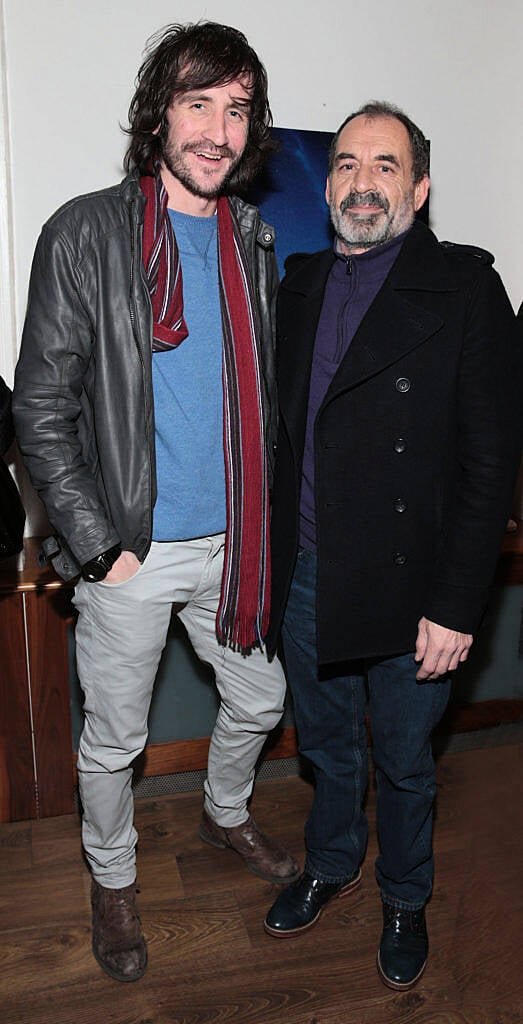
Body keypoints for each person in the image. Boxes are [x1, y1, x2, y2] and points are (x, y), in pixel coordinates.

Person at [13, 21, 299, 984]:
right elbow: (41, 408)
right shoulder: (84, 232)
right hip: (133, 547)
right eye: (197, 103)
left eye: (237, 108)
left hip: (239, 546)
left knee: (261, 697)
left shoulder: (252, 239)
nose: (218, 130)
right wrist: (99, 547)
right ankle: (113, 876)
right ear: (157, 115)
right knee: (116, 735)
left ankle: (225, 811)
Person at [263, 101, 521, 990]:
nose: (360, 183)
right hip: (306, 578)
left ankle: (405, 895)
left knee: (405, 762)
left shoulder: (465, 289)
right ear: (327, 183)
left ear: (417, 187)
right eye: (343, 164)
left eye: (383, 165)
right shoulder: (296, 284)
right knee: (328, 748)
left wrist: (456, 604)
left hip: (415, 586)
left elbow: (490, 464)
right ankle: (332, 864)